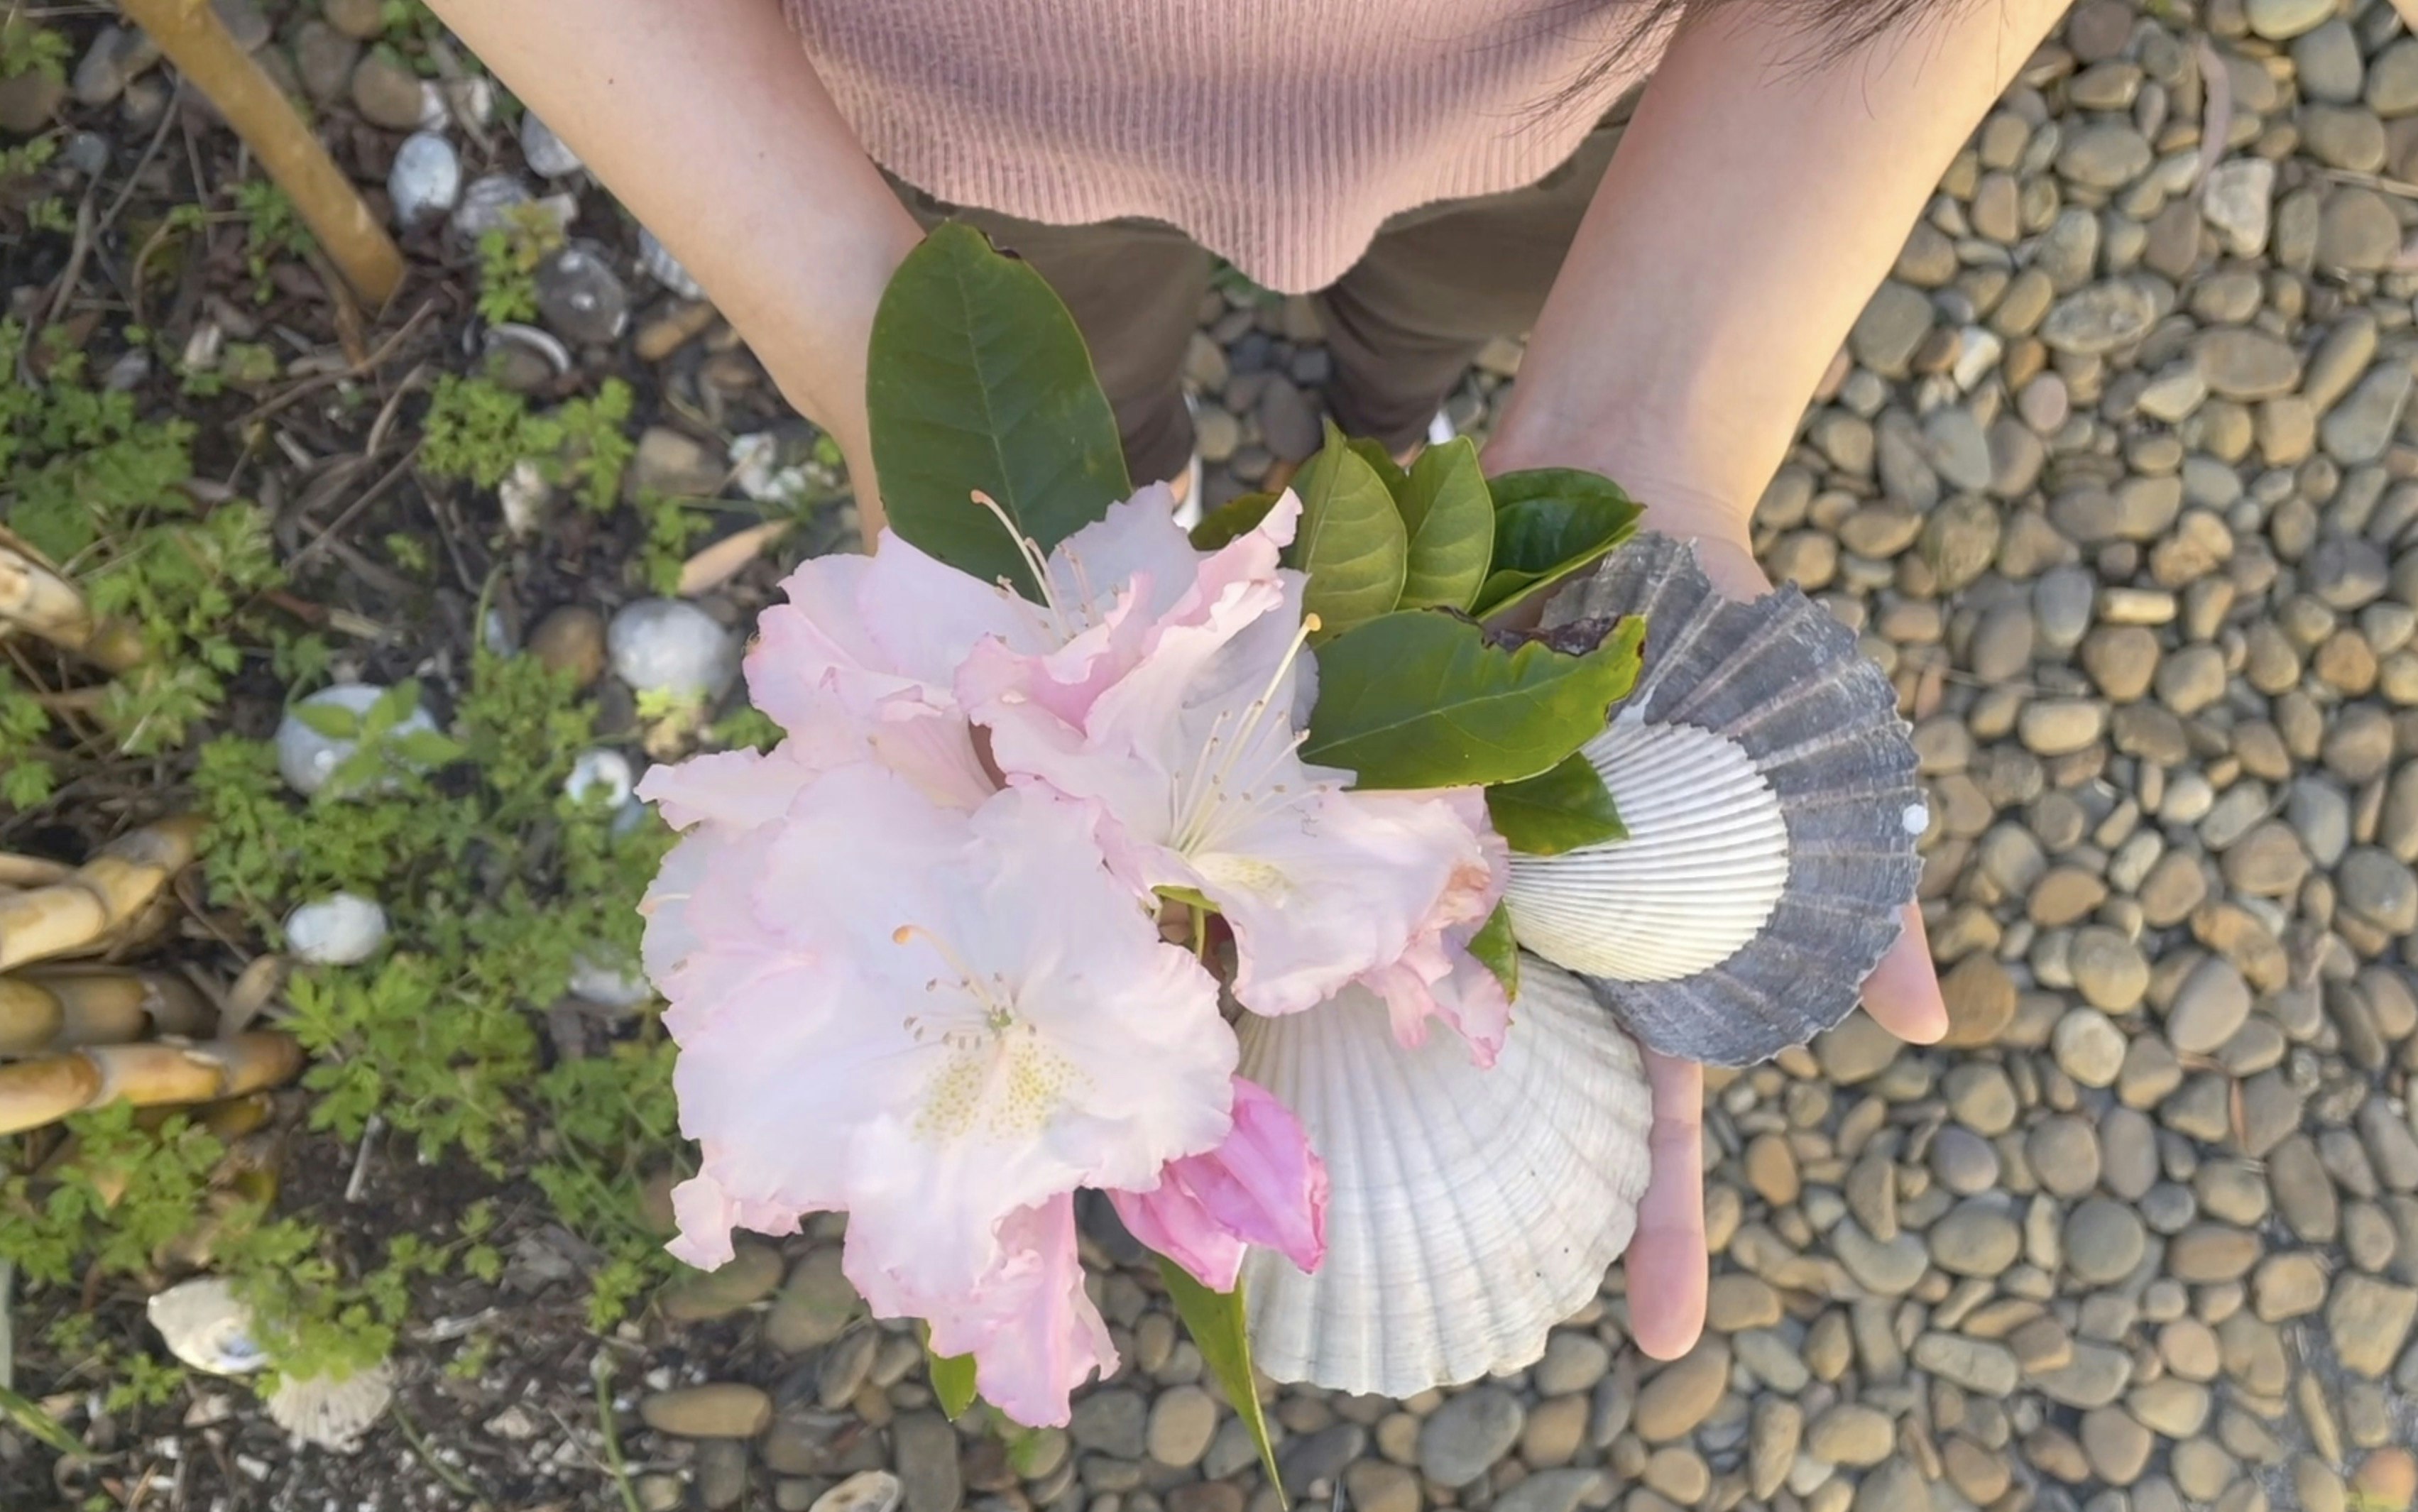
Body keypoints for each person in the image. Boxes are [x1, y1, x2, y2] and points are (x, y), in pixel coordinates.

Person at [428, 0, 2070, 1359]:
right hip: (955, 82)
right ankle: (1160, 534)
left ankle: (1375, 448)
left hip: (1568, 72)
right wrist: (867, 332)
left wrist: (1657, 409)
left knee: (1432, 302)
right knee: (1069, 408)